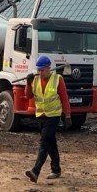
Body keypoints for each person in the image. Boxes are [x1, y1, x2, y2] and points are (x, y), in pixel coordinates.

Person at [24, 55, 71, 183]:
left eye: (42, 70)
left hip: (53, 116)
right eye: (38, 70)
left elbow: (64, 98)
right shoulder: (35, 80)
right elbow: (27, 96)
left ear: (48, 68)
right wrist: (28, 83)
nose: (40, 72)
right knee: (51, 143)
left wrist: (67, 116)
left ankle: (35, 171)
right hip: (40, 116)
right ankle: (56, 170)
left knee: (44, 142)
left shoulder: (57, 79)